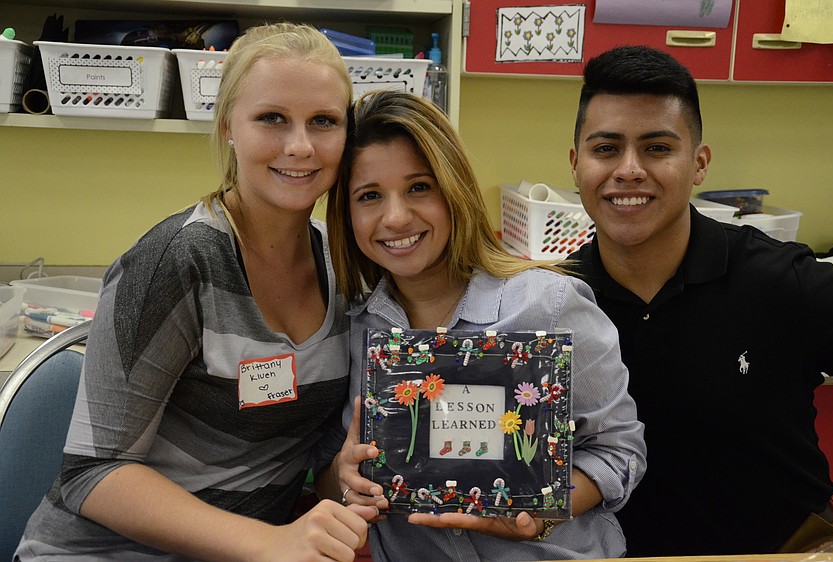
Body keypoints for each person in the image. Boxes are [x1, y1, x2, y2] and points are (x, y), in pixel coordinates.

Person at [15, 22, 375, 561]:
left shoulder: (346, 265)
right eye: (272, 118)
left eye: (323, 121)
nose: (300, 146)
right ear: (229, 123)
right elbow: (91, 473)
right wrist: (269, 543)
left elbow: (296, 464)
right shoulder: (177, 262)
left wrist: (337, 477)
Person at [319, 90, 646, 561]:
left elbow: (621, 451)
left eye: (419, 187)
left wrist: (542, 511)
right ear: (345, 215)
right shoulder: (354, 329)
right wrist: (345, 478)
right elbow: (330, 474)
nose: (395, 217)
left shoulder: (548, 305)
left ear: (454, 189)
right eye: (369, 196)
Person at [568, 45, 833, 556]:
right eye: (606, 149)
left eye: (657, 148)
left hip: (786, 551)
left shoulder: (780, 281)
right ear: (576, 164)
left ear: (699, 164)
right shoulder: (549, 302)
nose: (628, 170)